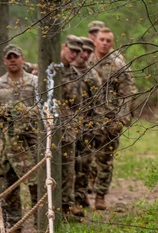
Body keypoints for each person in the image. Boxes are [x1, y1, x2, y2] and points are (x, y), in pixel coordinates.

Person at [0, 44, 40, 233]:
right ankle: (13, 227)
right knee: (9, 187)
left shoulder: (35, 83)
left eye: (16, 56)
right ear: (5, 61)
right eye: (9, 57)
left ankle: (41, 224)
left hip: (31, 143)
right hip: (6, 145)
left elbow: (45, 107)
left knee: (37, 185)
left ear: (23, 59)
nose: (13, 60)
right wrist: (1, 113)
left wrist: (25, 112)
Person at [89, 27, 137, 211]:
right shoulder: (87, 60)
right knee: (84, 159)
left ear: (112, 43)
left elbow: (127, 93)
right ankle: (80, 195)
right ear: (95, 40)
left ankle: (100, 195)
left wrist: (121, 118)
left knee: (105, 159)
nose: (105, 43)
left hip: (109, 119)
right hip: (87, 118)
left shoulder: (118, 65)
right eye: (102, 39)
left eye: (108, 40)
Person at [73, 36, 103, 214]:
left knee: (84, 165)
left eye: (89, 52)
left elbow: (98, 105)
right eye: (82, 51)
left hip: (85, 129)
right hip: (66, 128)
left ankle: (78, 197)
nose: (84, 55)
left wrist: (96, 128)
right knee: (68, 166)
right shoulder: (65, 70)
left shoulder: (92, 76)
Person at [58, 35, 85, 217]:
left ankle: (65, 209)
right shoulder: (49, 70)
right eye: (71, 50)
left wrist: (77, 129)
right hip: (47, 130)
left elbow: (78, 106)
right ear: (64, 47)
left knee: (68, 170)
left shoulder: (75, 75)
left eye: (77, 52)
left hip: (67, 131)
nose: (73, 54)